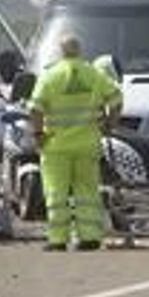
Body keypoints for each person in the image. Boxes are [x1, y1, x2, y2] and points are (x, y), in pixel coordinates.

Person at [29, 34, 120, 251]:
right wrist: (109, 124)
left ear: (61, 51)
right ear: (79, 51)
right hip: (87, 144)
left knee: (56, 193)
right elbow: (116, 99)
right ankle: (89, 238)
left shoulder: (50, 76)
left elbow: (35, 109)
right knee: (87, 192)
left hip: (56, 146)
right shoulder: (94, 74)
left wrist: (38, 135)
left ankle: (58, 240)